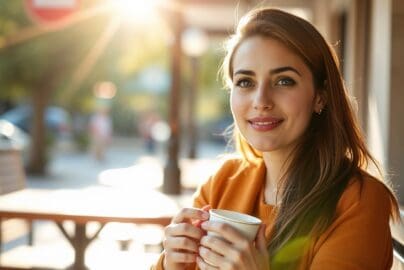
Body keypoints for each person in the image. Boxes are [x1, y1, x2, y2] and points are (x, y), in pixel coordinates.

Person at [152, 8, 400, 270]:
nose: (261, 101)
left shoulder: (358, 201)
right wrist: (170, 264)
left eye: (284, 81)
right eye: (246, 82)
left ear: (320, 96)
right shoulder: (223, 183)